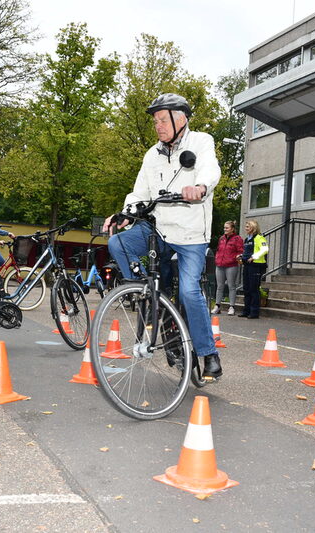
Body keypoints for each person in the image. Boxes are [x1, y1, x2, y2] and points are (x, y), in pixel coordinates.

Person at [102, 93, 222, 380]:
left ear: (180, 119)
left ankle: (208, 355)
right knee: (117, 241)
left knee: (190, 292)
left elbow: (210, 167)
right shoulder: (151, 154)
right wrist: (125, 213)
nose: (157, 125)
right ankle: (149, 292)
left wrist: (201, 187)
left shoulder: (201, 142)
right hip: (158, 227)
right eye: (155, 121)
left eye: (162, 119)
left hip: (191, 232)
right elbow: (140, 191)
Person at [238, 220, 268, 319]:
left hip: (256, 265)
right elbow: (247, 252)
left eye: (248, 227)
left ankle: (254, 312)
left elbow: (265, 249)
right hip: (247, 265)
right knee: (246, 289)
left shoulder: (260, 238)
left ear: (253, 228)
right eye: (246, 226)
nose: (246, 228)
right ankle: (246, 311)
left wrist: (253, 257)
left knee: (253, 289)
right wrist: (241, 257)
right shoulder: (247, 239)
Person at [213, 221, 243, 316]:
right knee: (219, 286)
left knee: (231, 286)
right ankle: (217, 306)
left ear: (232, 229)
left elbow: (241, 251)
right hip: (220, 265)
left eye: (227, 228)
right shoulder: (221, 238)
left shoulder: (237, 239)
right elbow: (218, 250)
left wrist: (237, 257)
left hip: (231, 265)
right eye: (224, 227)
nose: (225, 229)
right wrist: (217, 258)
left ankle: (232, 307)